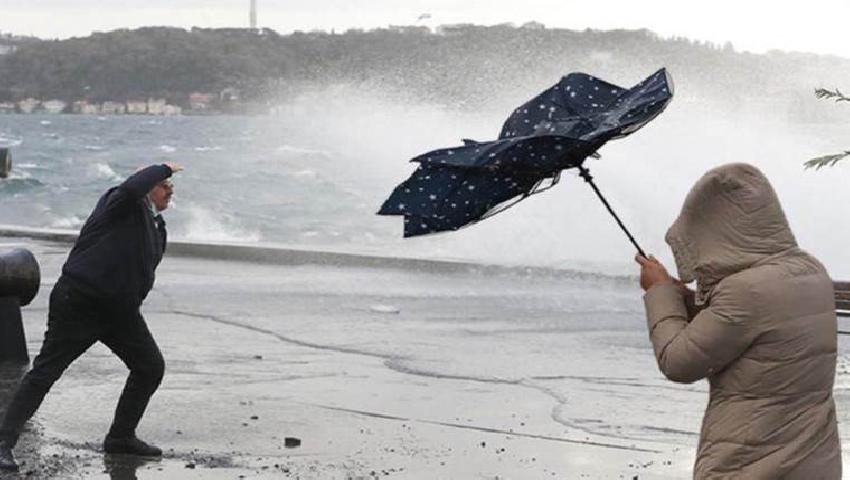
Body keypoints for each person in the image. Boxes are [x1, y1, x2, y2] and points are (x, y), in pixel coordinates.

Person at [635, 163, 841, 479]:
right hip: (812, 459)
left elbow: (678, 362)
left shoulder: (746, 291)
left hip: (750, 460)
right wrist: (683, 298)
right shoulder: (810, 270)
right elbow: (750, 330)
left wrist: (659, 292)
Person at [0, 163, 182, 471]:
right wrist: (162, 167)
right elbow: (131, 187)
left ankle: (121, 437)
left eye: (170, 185)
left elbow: (143, 269)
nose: (170, 190)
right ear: (147, 186)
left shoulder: (156, 225)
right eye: (164, 184)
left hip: (120, 313)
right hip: (80, 303)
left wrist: (132, 300)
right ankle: (3, 443)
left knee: (150, 367)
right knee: (45, 373)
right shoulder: (119, 202)